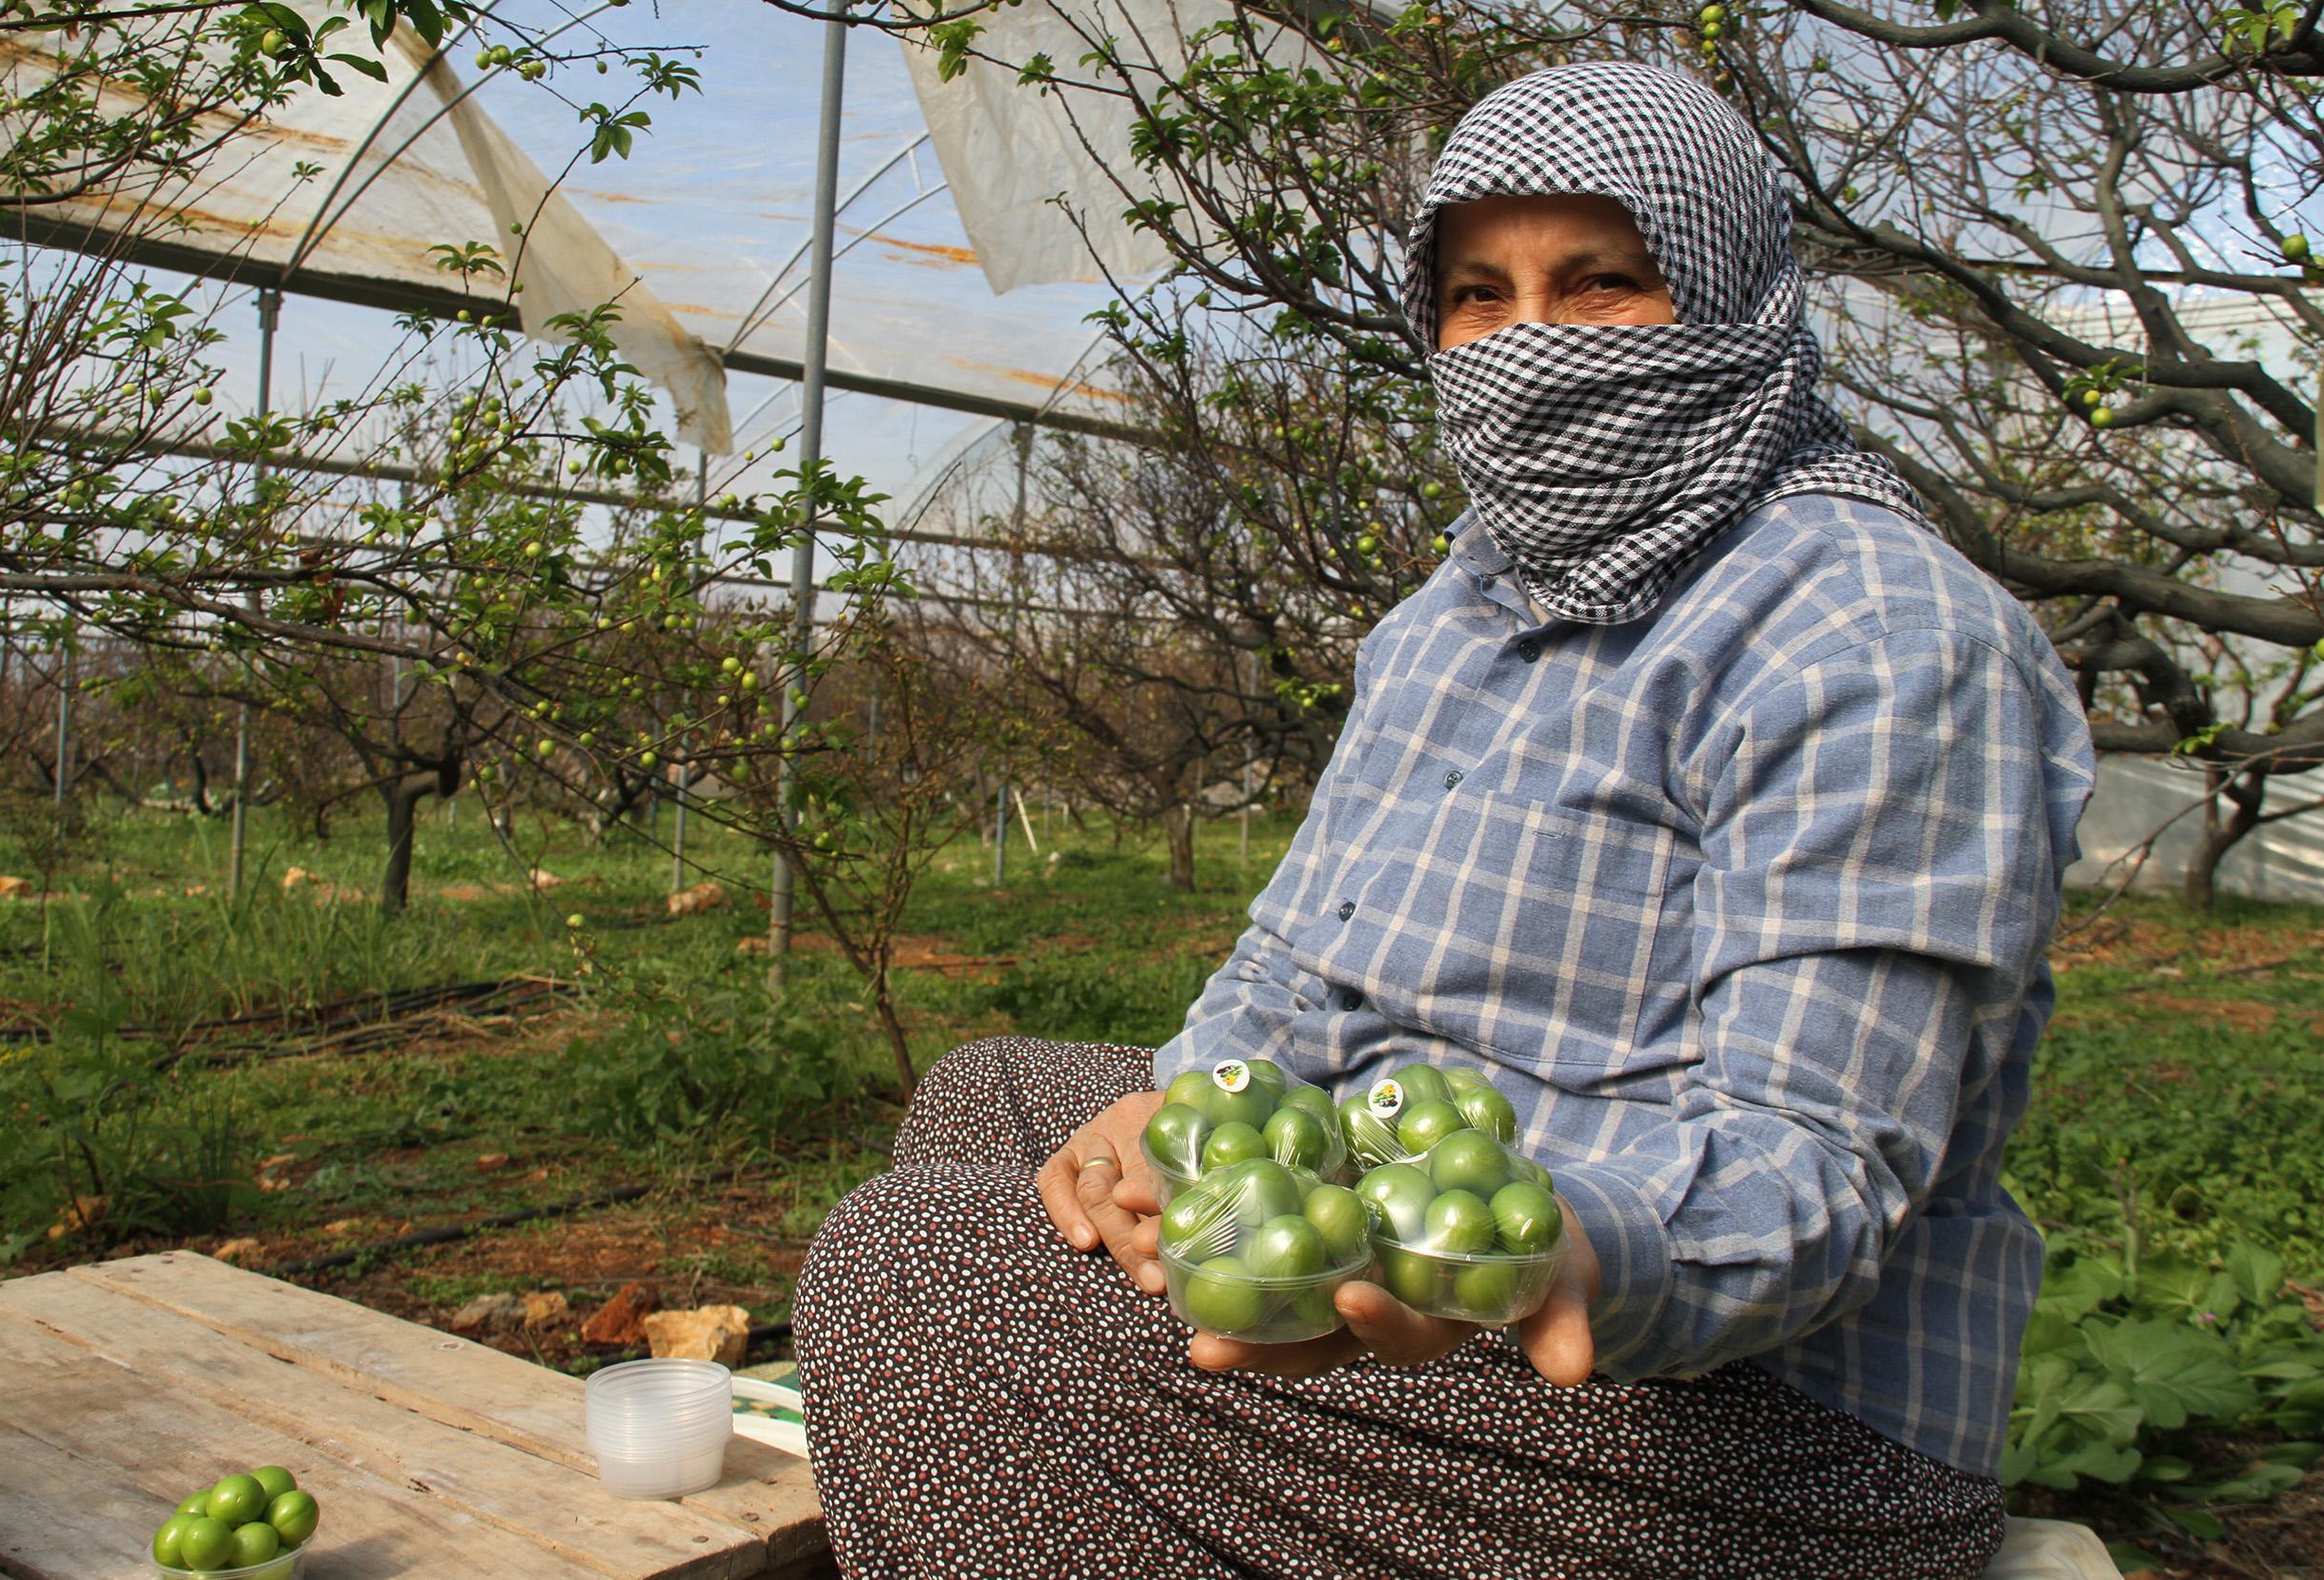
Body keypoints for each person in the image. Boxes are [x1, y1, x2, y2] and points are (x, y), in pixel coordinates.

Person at [793, 60, 2094, 1580]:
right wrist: (1188, 1111)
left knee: (911, 1275)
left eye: (1600, 280)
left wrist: (1540, 1250)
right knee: (988, 1100)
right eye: (1479, 296)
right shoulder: (1454, 614)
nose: (1527, 344)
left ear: (1735, 295)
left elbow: (1813, 1166)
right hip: (1426, 1190)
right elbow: (1296, 967)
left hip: (1744, 1414)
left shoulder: (1875, 632)